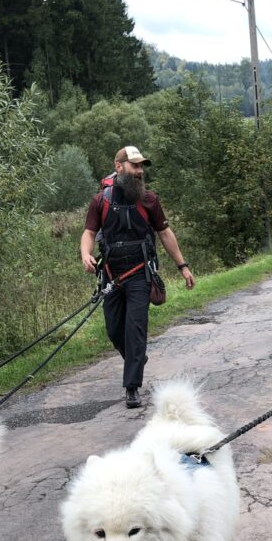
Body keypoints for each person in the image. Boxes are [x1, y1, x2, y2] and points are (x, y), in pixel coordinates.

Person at [80, 146, 195, 409]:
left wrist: (183, 266)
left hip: (140, 275)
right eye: (135, 166)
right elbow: (88, 232)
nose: (140, 171)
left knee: (135, 328)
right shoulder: (100, 201)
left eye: (142, 166)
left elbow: (165, 234)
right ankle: (136, 357)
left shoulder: (149, 201)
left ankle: (132, 387)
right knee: (113, 329)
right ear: (119, 167)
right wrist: (86, 254)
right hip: (110, 276)